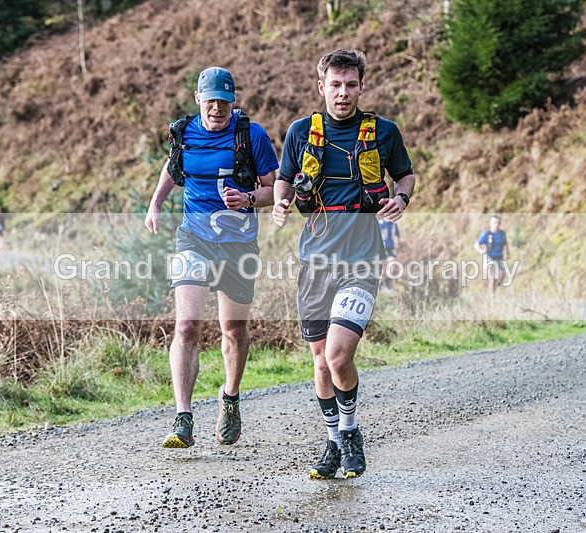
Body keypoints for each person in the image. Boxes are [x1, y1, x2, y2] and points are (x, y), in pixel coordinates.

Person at [273, 49, 415, 479]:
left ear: (361, 86)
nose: (343, 93)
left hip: (361, 260)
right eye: (335, 85)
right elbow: (283, 177)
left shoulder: (383, 132)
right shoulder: (301, 132)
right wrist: (280, 201)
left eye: (351, 84)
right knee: (319, 361)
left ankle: (351, 434)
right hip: (315, 261)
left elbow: (406, 174)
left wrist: (401, 198)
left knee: (337, 356)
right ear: (322, 87)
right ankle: (333, 443)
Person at [144, 67, 278, 448]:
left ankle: (230, 397)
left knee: (233, 330)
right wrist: (155, 205)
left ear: (232, 100)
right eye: (211, 100)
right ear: (198, 99)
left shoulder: (250, 136)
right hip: (194, 238)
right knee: (186, 325)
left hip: (238, 243)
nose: (217, 108)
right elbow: (173, 169)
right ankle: (182, 417)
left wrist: (249, 199)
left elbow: (275, 188)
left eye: (224, 100)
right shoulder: (184, 133)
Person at [474, 215, 509, 292]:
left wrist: (507, 252)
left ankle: (493, 287)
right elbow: (476, 244)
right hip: (489, 258)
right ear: (490, 224)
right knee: (492, 277)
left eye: (498, 222)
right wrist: (481, 251)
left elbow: (505, 243)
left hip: (499, 257)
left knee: (501, 276)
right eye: (494, 222)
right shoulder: (487, 234)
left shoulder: (502, 233)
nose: (496, 224)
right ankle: (492, 297)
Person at [378, 218, 400, 291]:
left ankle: (386, 283)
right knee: (382, 270)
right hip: (381, 248)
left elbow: (396, 236)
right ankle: (379, 285)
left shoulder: (394, 225)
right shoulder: (379, 223)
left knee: (392, 266)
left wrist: (397, 246)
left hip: (391, 248)